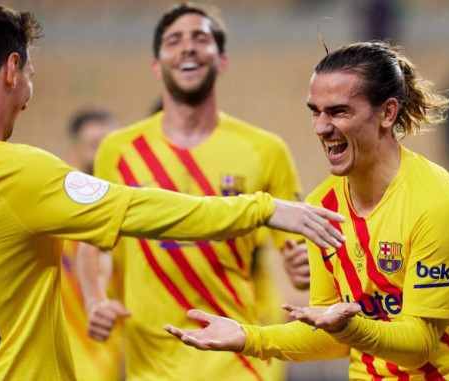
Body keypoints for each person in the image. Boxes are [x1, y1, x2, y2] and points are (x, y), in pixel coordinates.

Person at [0, 3, 346, 380]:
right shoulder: (20, 173)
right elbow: (145, 208)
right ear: (11, 70)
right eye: (29, 74)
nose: (28, 93)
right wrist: (262, 208)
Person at [164, 41, 449, 381]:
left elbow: (420, 344)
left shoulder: (438, 206)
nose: (321, 127)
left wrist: (349, 328)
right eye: (315, 111)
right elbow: (328, 333)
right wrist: (249, 337)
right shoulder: (322, 206)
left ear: (387, 113)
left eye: (338, 111)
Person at [78, 3, 309, 380]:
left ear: (222, 62)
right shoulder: (117, 151)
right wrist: (95, 299)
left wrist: (303, 270)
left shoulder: (266, 150)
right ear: (156, 65)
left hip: (242, 363)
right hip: (150, 366)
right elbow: (95, 242)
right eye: (174, 40)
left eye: (201, 38)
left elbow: (299, 262)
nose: (188, 47)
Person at [60, 108, 123, 380]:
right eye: (95, 145)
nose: (102, 156)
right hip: (60, 355)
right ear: (73, 152)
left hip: (110, 359)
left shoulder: (129, 220)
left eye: (109, 146)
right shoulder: (51, 216)